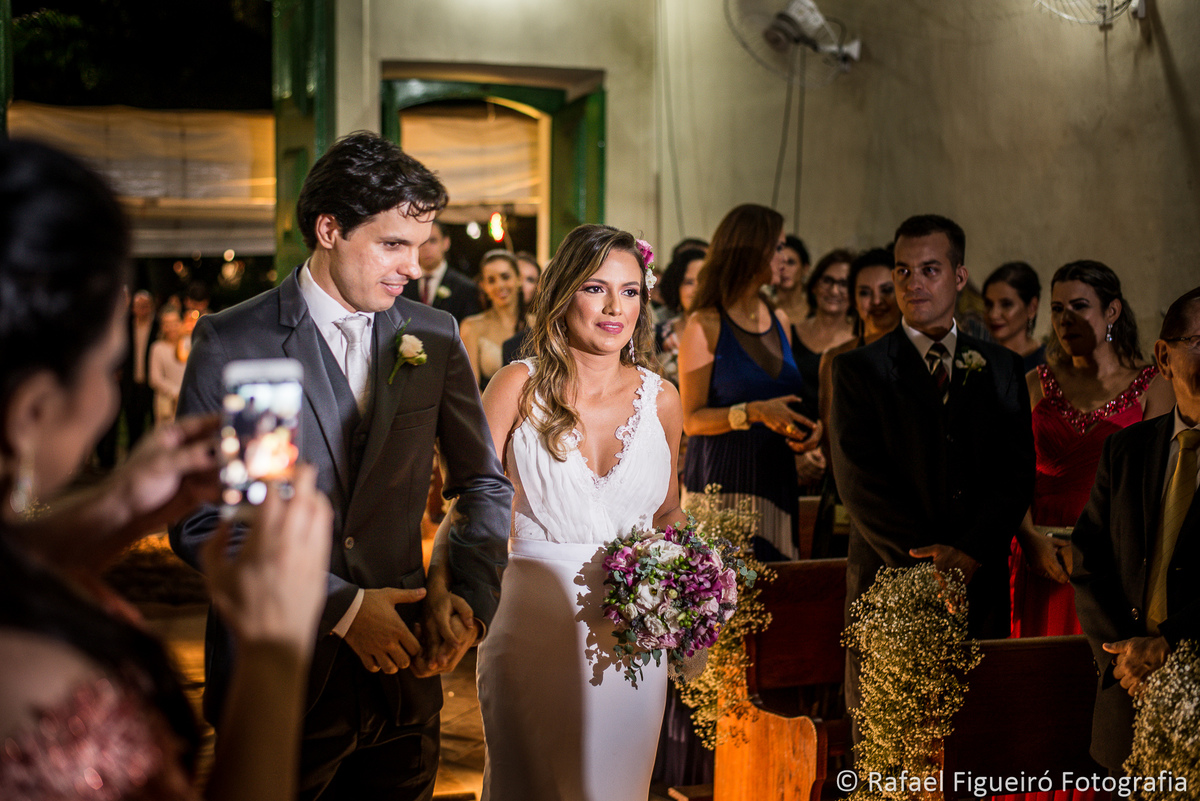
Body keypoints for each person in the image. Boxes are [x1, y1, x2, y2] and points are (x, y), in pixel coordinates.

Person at [169, 131, 513, 801]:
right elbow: (208, 518)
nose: (411, 266)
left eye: (418, 247)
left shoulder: (432, 337)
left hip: (405, 688)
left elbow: (481, 484)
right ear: (329, 228)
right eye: (392, 244)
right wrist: (346, 608)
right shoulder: (238, 339)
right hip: (280, 684)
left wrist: (465, 592)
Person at [0, 138, 332, 801]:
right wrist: (273, 650)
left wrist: (115, 508)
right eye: (107, 369)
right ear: (32, 410)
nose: (105, 396)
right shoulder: (36, 686)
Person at [464, 224, 683, 801]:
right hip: (529, 617)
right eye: (596, 288)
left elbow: (668, 515)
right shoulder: (515, 385)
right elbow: (471, 504)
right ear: (564, 294)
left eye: (631, 291)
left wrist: (692, 601)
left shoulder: (663, 400)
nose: (616, 307)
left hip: (633, 636)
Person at [830, 214, 1034, 738]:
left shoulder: (1001, 367)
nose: (913, 283)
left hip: (976, 581)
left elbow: (1015, 474)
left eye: (929, 269)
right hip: (890, 577)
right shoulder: (858, 370)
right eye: (903, 271)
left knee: (973, 742)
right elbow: (858, 482)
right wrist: (932, 561)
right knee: (889, 746)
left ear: (960, 278)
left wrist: (970, 550)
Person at [1072, 285, 1200, 774]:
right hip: (1127, 700)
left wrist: (1170, 643)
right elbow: (1088, 557)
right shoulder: (1127, 450)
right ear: (1163, 357)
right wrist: (1122, 657)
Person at [1011, 262, 1174, 639]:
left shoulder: (1154, 386)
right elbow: (1010, 473)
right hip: (1040, 553)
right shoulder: (1033, 384)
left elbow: (1157, 485)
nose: (1066, 319)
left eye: (1079, 306)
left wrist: (1098, 552)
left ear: (1112, 311)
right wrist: (1029, 538)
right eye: (1057, 309)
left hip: (1112, 554)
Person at [678, 204, 821, 562]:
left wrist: (806, 432)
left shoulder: (780, 320)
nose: (784, 258)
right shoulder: (705, 324)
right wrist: (755, 412)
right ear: (750, 250)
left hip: (774, 479)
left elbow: (785, 401)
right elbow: (691, 420)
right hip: (723, 484)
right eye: (776, 247)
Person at [812, 248, 899, 557]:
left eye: (886, 290)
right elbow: (832, 440)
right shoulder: (837, 358)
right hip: (847, 497)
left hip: (907, 500)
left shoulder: (918, 356)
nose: (876, 301)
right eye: (865, 292)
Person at [790, 248, 855, 426]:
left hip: (838, 444)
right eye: (827, 281)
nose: (834, 291)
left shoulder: (860, 343)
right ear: (814, 285)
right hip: (789, 436)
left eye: (844, 284)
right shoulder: (789, 333)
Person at [461, 250, 527, 390]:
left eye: (505, 277)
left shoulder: (538, 323)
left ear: (519, 279)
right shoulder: (471, 327)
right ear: (483, 286)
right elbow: (471, 388)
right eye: (491, 280)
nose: (499, 285)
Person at [402, 218, 484, 322]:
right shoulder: (403, 285)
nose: (426, 247)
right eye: (421, 242)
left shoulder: (465, 288)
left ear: (446, 243)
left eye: (433, 241)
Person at [654, 245, 706, 386]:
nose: (697, 289)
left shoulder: (729, 333)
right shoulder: (656, 335)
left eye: (703, 281)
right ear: (676, 286)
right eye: (689, 282)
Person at [983, 261, 1046, 372]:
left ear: (1032, 307)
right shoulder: (980, 358)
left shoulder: (1047, 363)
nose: (993, 315)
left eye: (1006, 304)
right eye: (989, 304)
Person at [149, 305, 189, 423]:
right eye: (167, 324)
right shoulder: (157, 348)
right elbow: (155, 378)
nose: (171, 328)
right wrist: (175, 392)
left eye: (175, 323)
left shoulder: (189, 344)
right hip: (167, 404)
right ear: (162, 326)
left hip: (188, 400)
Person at [771, 234, 812, 326]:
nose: (783, 268)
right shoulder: (766, 310)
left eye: (791, 262)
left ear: (805, 268)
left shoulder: (816, 310)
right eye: (779, 262)